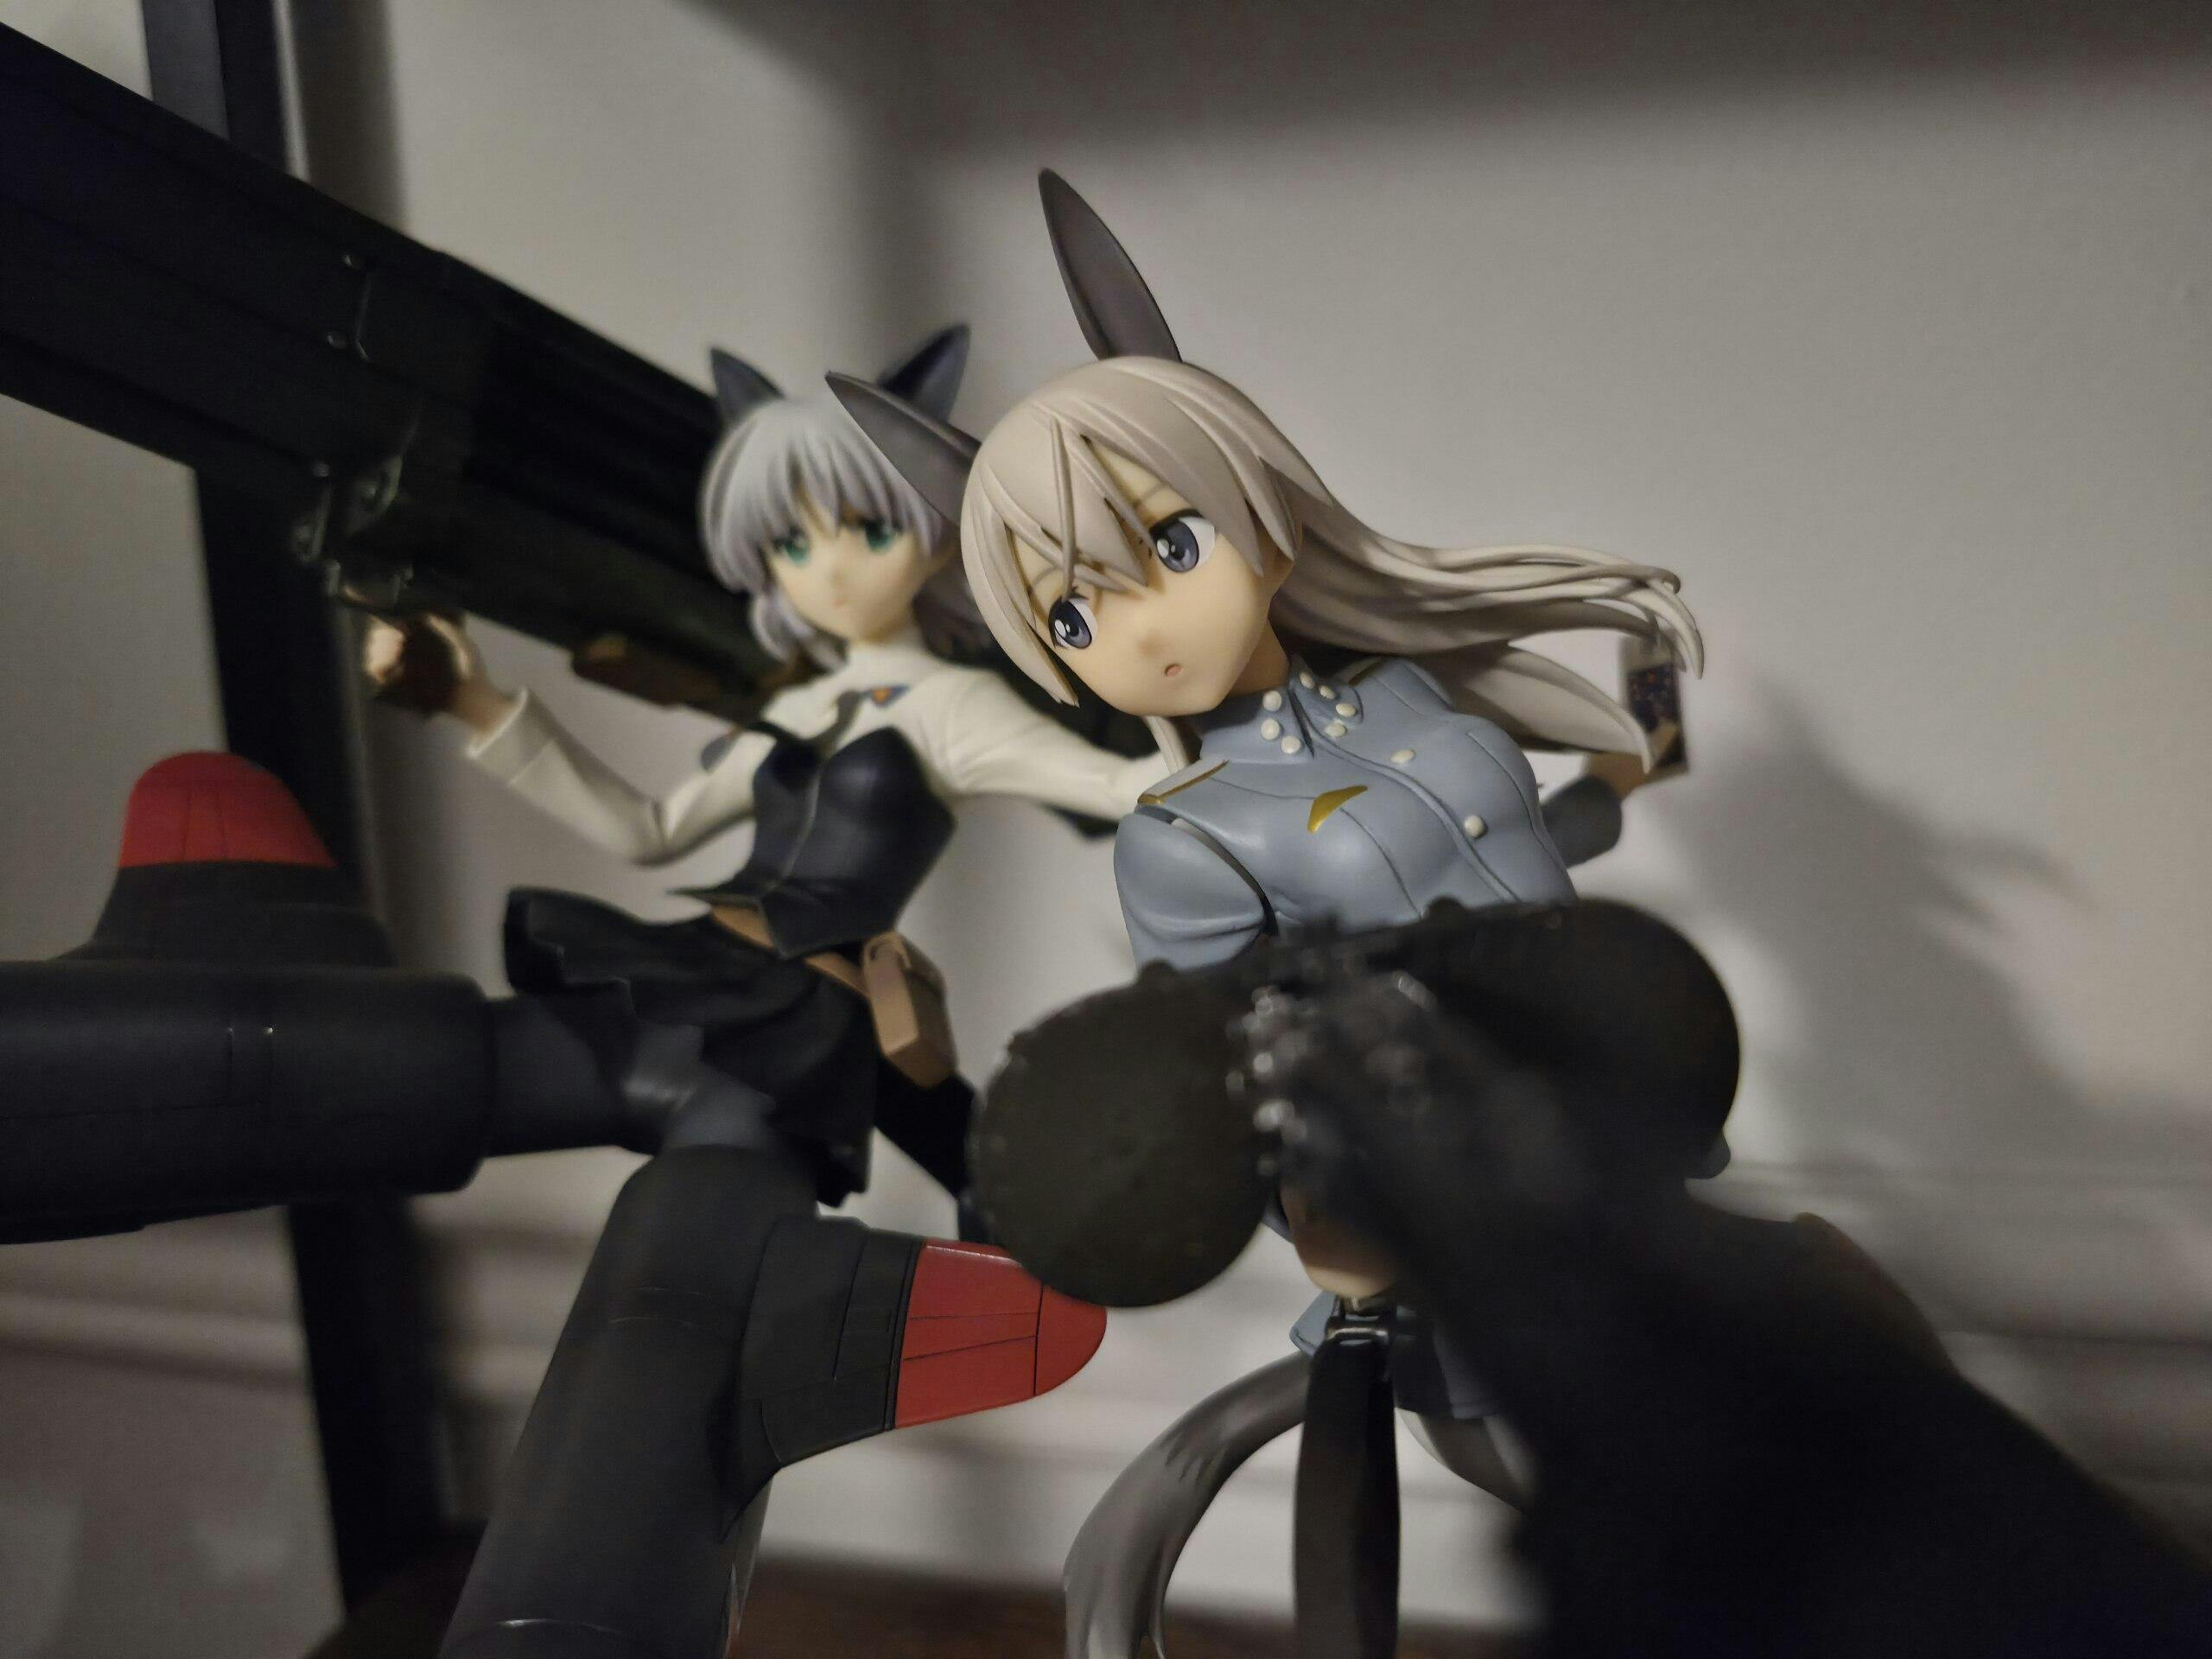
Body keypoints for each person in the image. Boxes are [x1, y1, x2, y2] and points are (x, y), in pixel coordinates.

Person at [365, 326, 1166, 1214]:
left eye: (870, 530)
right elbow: (650, 831)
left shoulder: (952, 706)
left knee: (779, 1183)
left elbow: (1110, 784)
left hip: (814, 1007)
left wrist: (1199, 702)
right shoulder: (799, 706)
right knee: (480, 1063)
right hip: (707, 960)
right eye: (792, 544)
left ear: (939, 535)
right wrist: (473, 702)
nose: (829, 571)